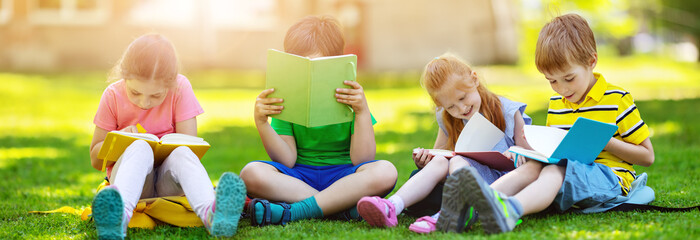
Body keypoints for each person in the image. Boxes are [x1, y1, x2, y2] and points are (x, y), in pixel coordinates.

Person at [436, 13, 655, 234]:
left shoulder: (617, 99)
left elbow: (648, 157)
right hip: (568, 173)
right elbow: (554, 151)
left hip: (610, 178)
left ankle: (509, 209)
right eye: (552, 81)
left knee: (553, 173)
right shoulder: (557, 103)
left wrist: (607, 143)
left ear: (591, 61)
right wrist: (524, 152)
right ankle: (475, 204)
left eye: (569, 78)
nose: (562, 89)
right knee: (534, 167)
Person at [239, 16, 398, 226]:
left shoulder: (351, 97)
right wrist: (262, 124)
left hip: (345, 177)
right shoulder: (285, 98)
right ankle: (338, 207)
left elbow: (363, 159)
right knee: (250, 173)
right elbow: (287, 160)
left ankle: (294, 211)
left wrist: (361, 112)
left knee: (386, 171)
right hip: (299, 178)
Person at [89, 33, 246, 239]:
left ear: (170, 84)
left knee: (182, 152)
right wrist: (117, 138)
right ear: (124, 77)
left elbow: (190, 148)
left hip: (168, 183)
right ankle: (117, 220)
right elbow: (95, 158)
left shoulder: (180, 88)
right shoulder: (112, 95)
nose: (145, 103)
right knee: (140, 147)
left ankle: (214, 216)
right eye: (135, 92)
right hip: (132, 182)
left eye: (156, 95)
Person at [355, 53, 533, 233]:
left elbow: (531, 157)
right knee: (442, 161)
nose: (461, 109)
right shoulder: (448, 117)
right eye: (451, 106)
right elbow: (440, 153)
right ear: (441, 105)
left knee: (456, 161)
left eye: (463, 98)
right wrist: (425, 160)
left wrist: (516, 152)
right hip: (464, 175)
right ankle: (392, 205)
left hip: (501, 182)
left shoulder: (507, 110)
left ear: (474, 80)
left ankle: (444, 214)